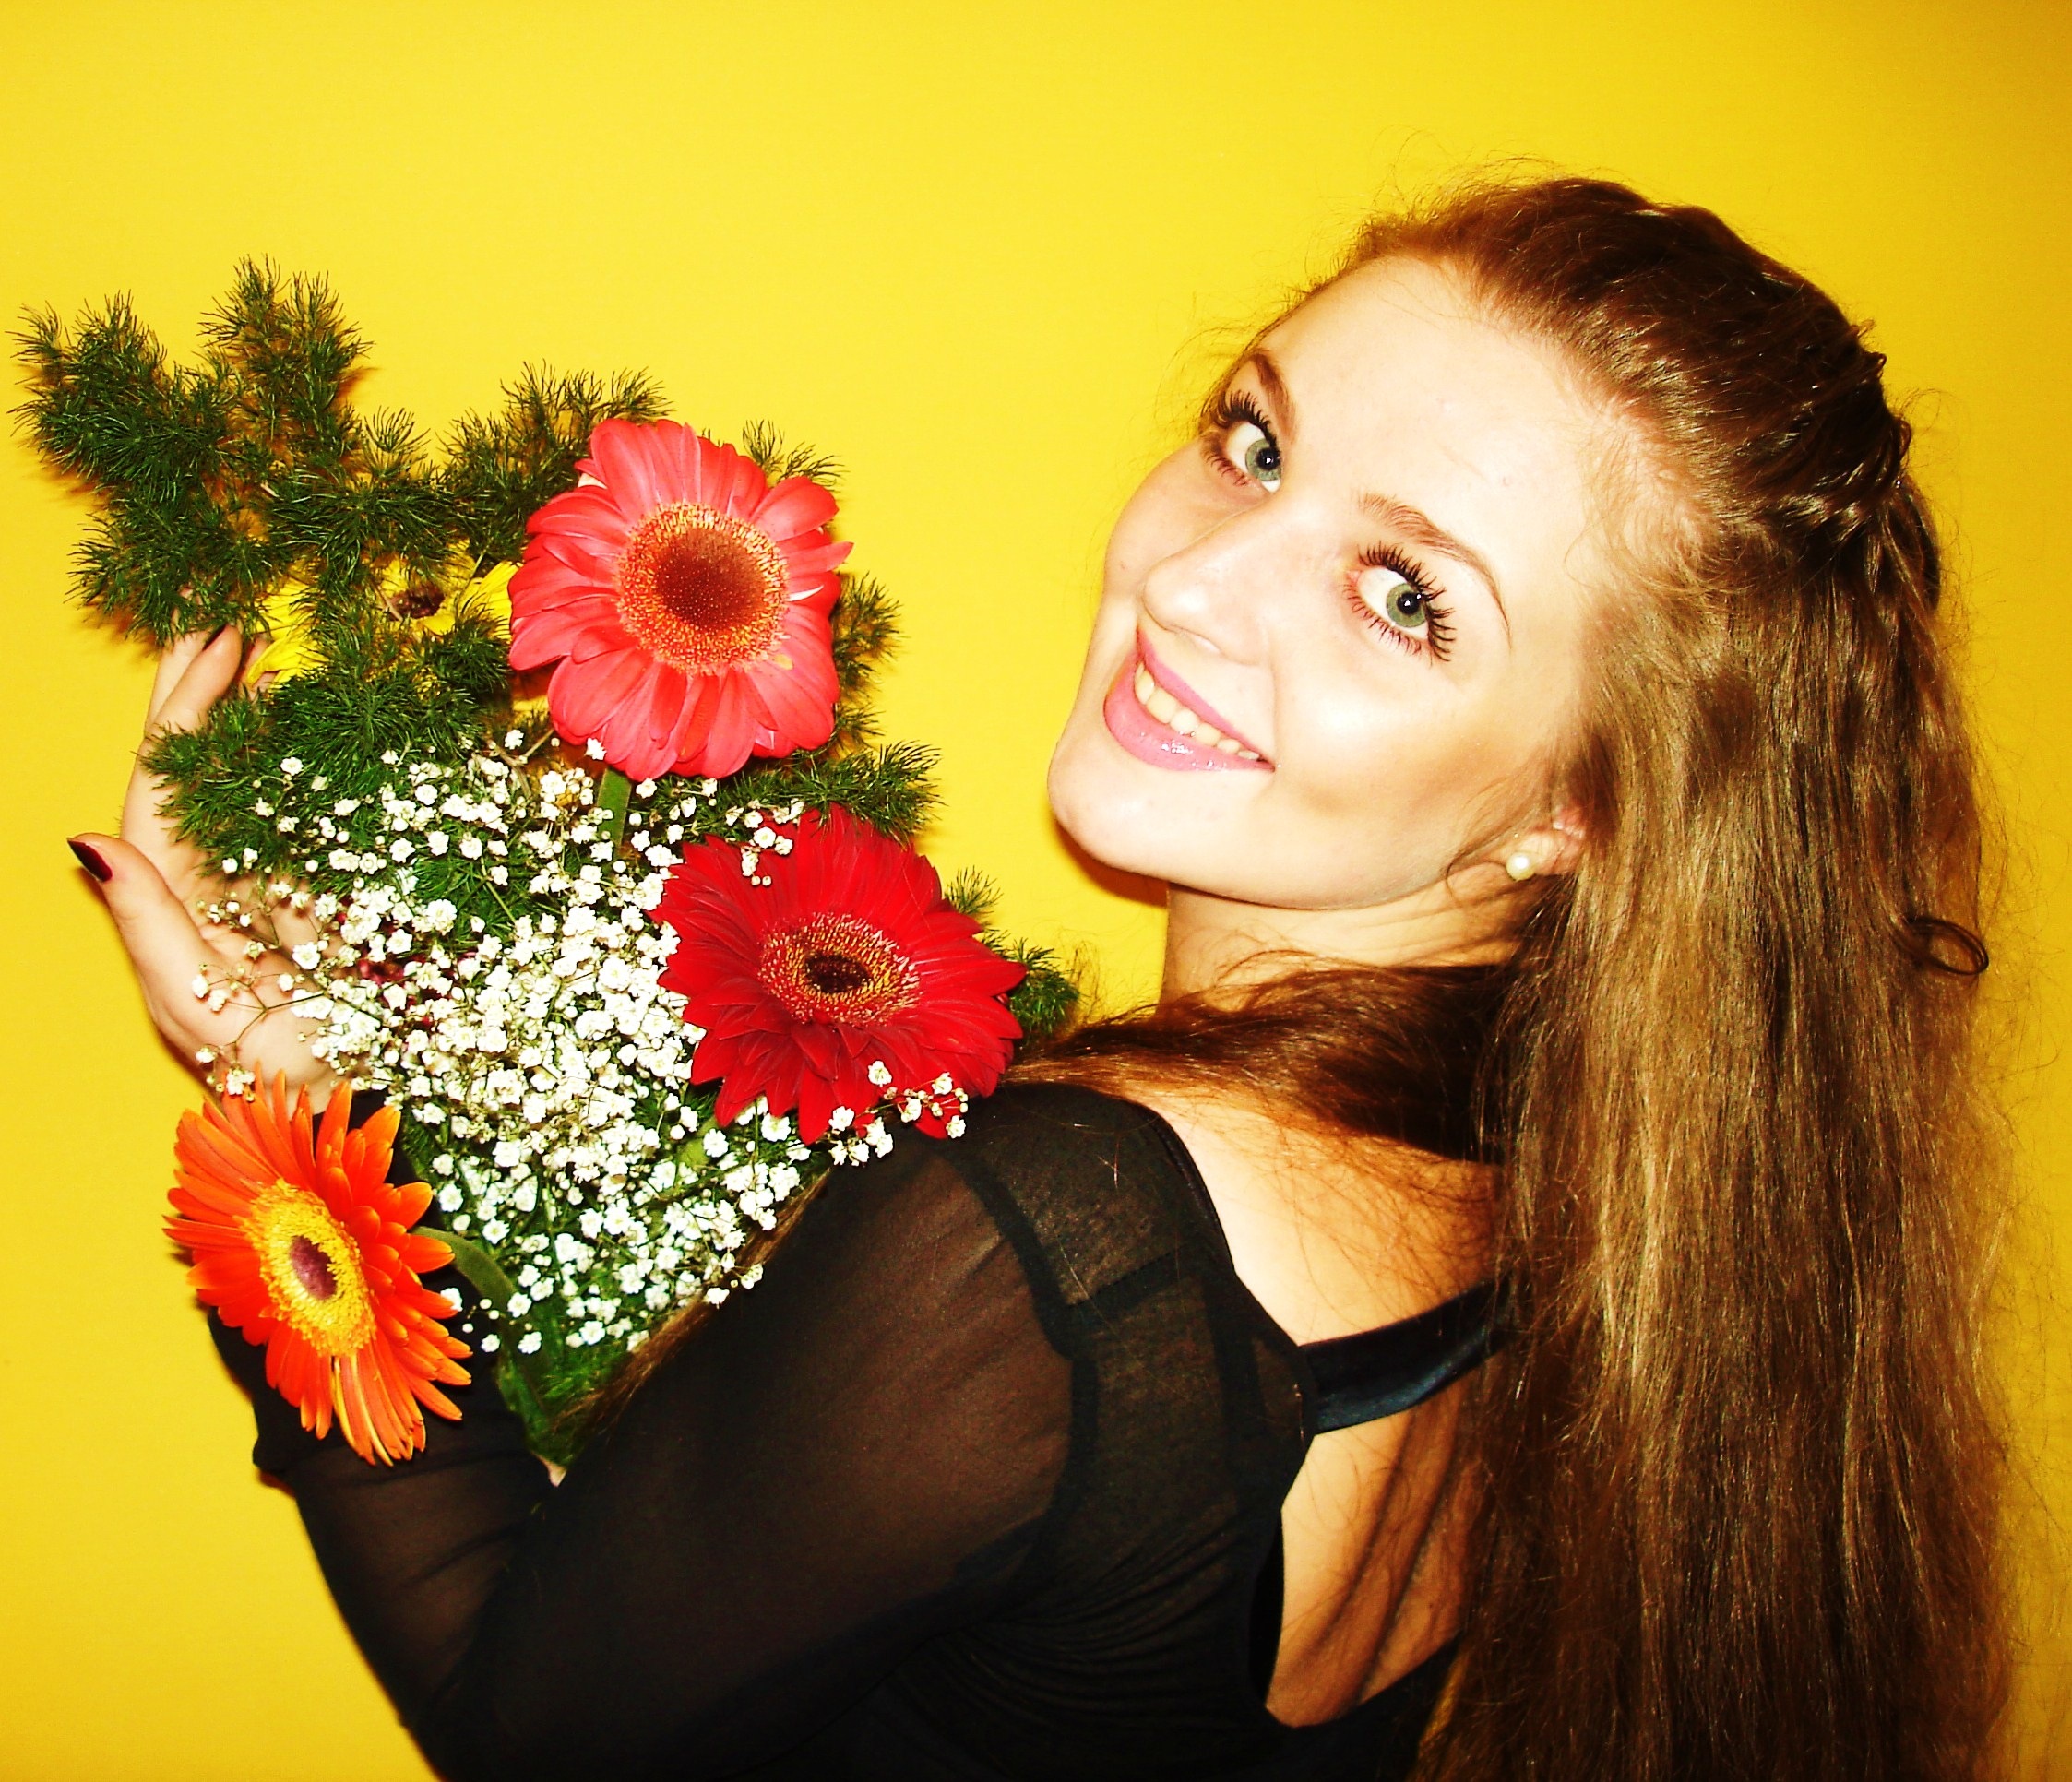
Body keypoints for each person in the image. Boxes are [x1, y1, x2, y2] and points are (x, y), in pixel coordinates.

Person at [69, 175, 2009, 1780]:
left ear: (1572, 814)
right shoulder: (1565, 1193)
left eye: (1404, 596)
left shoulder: (1062, 1253)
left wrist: (284, 1108)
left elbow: (532, 1728)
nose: (1192, 580)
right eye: (1254, 446)